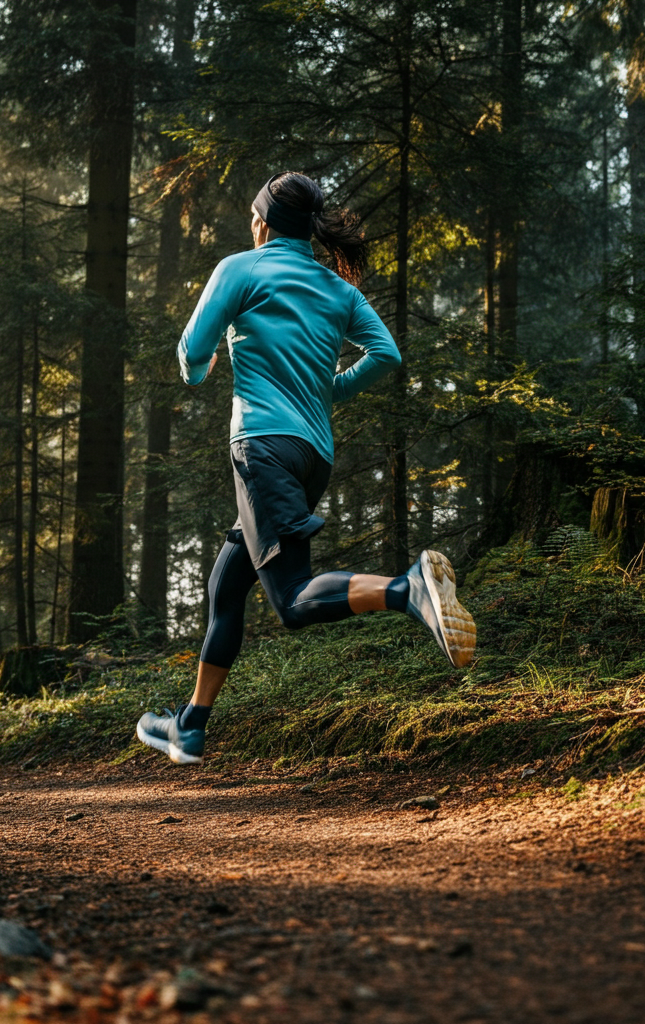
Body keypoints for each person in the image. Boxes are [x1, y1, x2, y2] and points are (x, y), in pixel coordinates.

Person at [136, 171, 476, 765]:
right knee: (226, 585)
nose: (249, 222)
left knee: (291, 600)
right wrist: (330, 392)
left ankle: (406, 589)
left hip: (262, 447)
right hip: (313, 456)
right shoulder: (338, 289)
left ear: (265, 221)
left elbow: (192, 351)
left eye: (252, 212)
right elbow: (387, 354)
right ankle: (190, 725)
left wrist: (199, 371)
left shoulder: (240, 268)